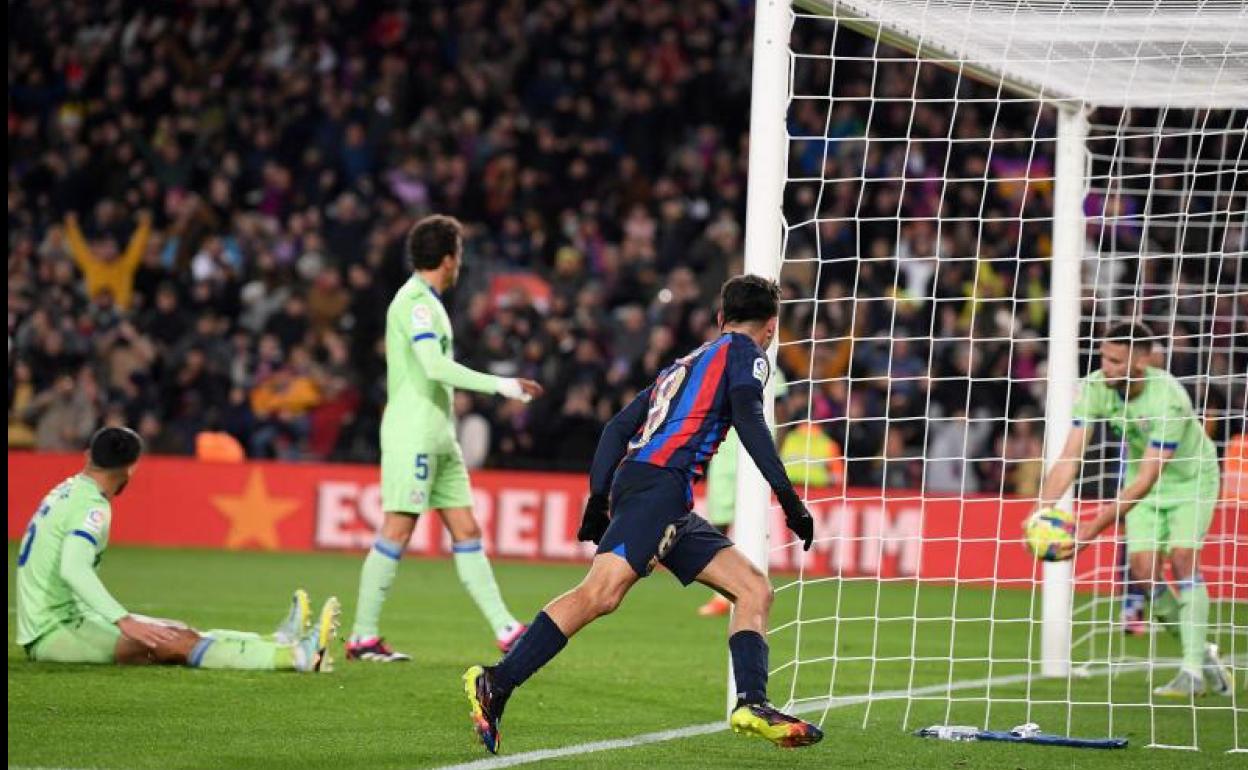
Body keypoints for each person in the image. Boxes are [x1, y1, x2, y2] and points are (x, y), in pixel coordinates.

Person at [462, 275, 821, 754]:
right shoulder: (747, 354)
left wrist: (597, 498)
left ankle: (752, 702)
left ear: (720, 317)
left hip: (657, 491)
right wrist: (791, 502)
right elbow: (751, 422)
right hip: (660, 487)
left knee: (754, 588)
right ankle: (497, 681)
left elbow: (617, 427)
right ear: (771, 327)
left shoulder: (686, 363)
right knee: (601, 593)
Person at [346, 215, 543, 662]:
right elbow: (434, 367)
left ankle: (507, 629)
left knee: (467, 528)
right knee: (398, 529)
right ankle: (362, 636)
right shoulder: (415, 303)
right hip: (413, 435)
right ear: (449, 259)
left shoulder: (429, 303)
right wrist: (503, 385)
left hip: (440, 436)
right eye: (460, 253)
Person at [15, 426, 339, 671]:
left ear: (88, 455)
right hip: (55, 631)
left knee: (177, 631)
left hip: (65, 620)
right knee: (173, 644)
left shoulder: (69, 489)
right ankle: (295, 657)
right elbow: (73, 568)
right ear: (131, 468)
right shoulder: (92, 508)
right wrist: (123, 620)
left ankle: (276, 642)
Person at [1037, 322, 1231, 697]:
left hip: (1190, 479)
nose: (1105, 366)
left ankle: (1191, 671)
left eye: (1115, 360)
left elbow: (1147, 479)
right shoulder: (1095, 387)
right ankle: (1201, 652)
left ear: (1140, 362)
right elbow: (1069, 457)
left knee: (1182, 559)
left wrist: (1092, 529)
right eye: (1103, 357)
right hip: (1142, 478)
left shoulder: (1169, 399)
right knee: (1143, 572)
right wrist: (1041, 512)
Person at [697, 370, 789, 617]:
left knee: (751, 524)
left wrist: (774, 454)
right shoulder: (721, 366)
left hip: (755, 455)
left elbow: (782, 410)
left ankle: (749, 591)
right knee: (718, 525)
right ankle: (723, 592)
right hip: (723, 455)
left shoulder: (771, 369)